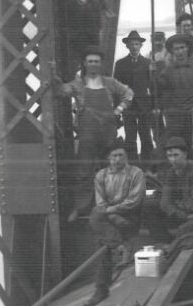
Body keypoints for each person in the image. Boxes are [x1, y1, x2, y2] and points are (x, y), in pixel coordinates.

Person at [53, 47, 133, 222]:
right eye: (90, 61)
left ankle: (114, 207)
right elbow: (61, 92)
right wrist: (54, 78)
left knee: (113, 169)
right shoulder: (78, 84)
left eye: (96, 61)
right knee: (84, 171)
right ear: (84, 63)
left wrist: (118, 109)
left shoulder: (110, 82)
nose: (93, 64)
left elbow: (128, 94)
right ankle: (81, 208)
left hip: (108, 133)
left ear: (101, 64)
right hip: (87, 133)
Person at [87, 138, 145, 306]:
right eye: (114, 156)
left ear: (126, 156)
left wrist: (112, 212)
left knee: (99, 228)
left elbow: (134, 201)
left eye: (121, 155)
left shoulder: (136, 173)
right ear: (108, 158)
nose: (118, 159)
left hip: (129, 219)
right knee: (102, 241)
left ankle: (101, 290)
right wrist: (109, 214)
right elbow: (100, 202)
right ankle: (120, 247)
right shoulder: (101, 176)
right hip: (110, 222)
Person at [145, 137, 193, 243]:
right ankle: (163, 242)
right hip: (182, 213)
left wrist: (174, 207)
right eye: (169, 156)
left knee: (184, 232)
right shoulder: (172, 172)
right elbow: (165, 202)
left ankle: (178, 242)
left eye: (176, 155)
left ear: (185, 154)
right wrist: (176, 210)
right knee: (149, 205)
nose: (172, 159)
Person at [156, 34, 193, 147]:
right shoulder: (166, 71)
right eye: (176, 48)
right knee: (178, 144)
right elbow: (161, 94)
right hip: (175, 116)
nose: (179, 51)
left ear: (187, 48)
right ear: (172, 51)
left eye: (182, 47)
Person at [114, 31, 154, 162]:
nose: (135, 46)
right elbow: (116, 88)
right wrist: (117, 109)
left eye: (137, 44)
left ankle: (147, 163)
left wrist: (154, 106)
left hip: (144, 105)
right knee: (130, 137)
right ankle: (132, 163)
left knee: (146, 136)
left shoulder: (147, 63)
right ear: (127, 46)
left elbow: (153, 87)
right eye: (132, 44)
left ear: (141, 46)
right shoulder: (120, 64)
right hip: (127, 106)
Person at [65, 0, 103, 77]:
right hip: (73, 45)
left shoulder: (94, 1)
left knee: (89, 75)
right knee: (70, 74)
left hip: (91, 43)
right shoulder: (66, 2)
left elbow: (99, 23)